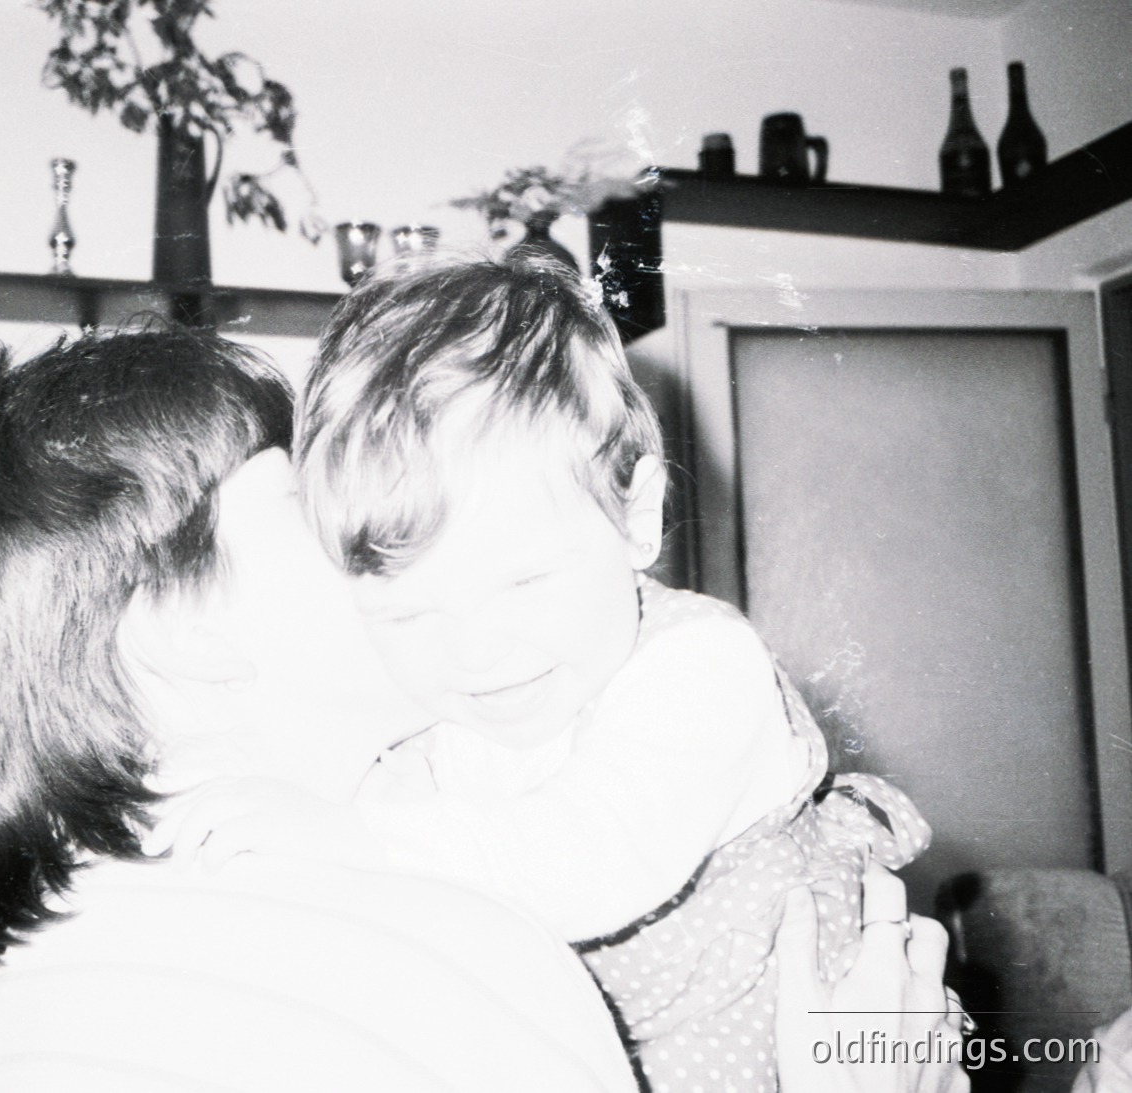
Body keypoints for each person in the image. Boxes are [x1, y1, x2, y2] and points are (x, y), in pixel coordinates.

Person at [0, 324, 962, 1092]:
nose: (374, 531)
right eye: (299, 495)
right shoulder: (443, 953)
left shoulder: (24, 999)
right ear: (181, 624)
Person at [164, 252, 932, 1093]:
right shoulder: (440, 726)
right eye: (408, 615)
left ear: (635, 515)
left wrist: (363, 839)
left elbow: (587, 856)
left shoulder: (700, 666)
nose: (474, 652)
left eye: (523, 585)